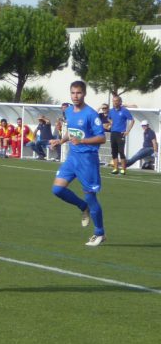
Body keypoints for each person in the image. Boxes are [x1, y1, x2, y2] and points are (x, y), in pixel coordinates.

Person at [50, 80, 107, 246]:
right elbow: (70, 132)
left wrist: (83, 141)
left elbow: (102, 137)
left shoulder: (91, 114)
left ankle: (100, 233)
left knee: (91, 196)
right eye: (73, 93)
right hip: (72, 159)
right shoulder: (68, 111)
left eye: (79, 93)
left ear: (84, 93)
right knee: (57, 189)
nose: (76, 96)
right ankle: (83, 207)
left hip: (87, 160)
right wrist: (60, 141)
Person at [106, 94, 135, 174]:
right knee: (114, 151)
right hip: (113, 133)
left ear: (120, 102)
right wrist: (111, 124)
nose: (115, 102)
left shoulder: (124, 110)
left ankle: (123, 169)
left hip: (121, 133)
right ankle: (115, 169)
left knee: (121, 151)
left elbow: (132, 120)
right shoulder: (111, 111)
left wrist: (127, 131)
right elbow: (109, 118)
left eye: (116, 101)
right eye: (113, 101)